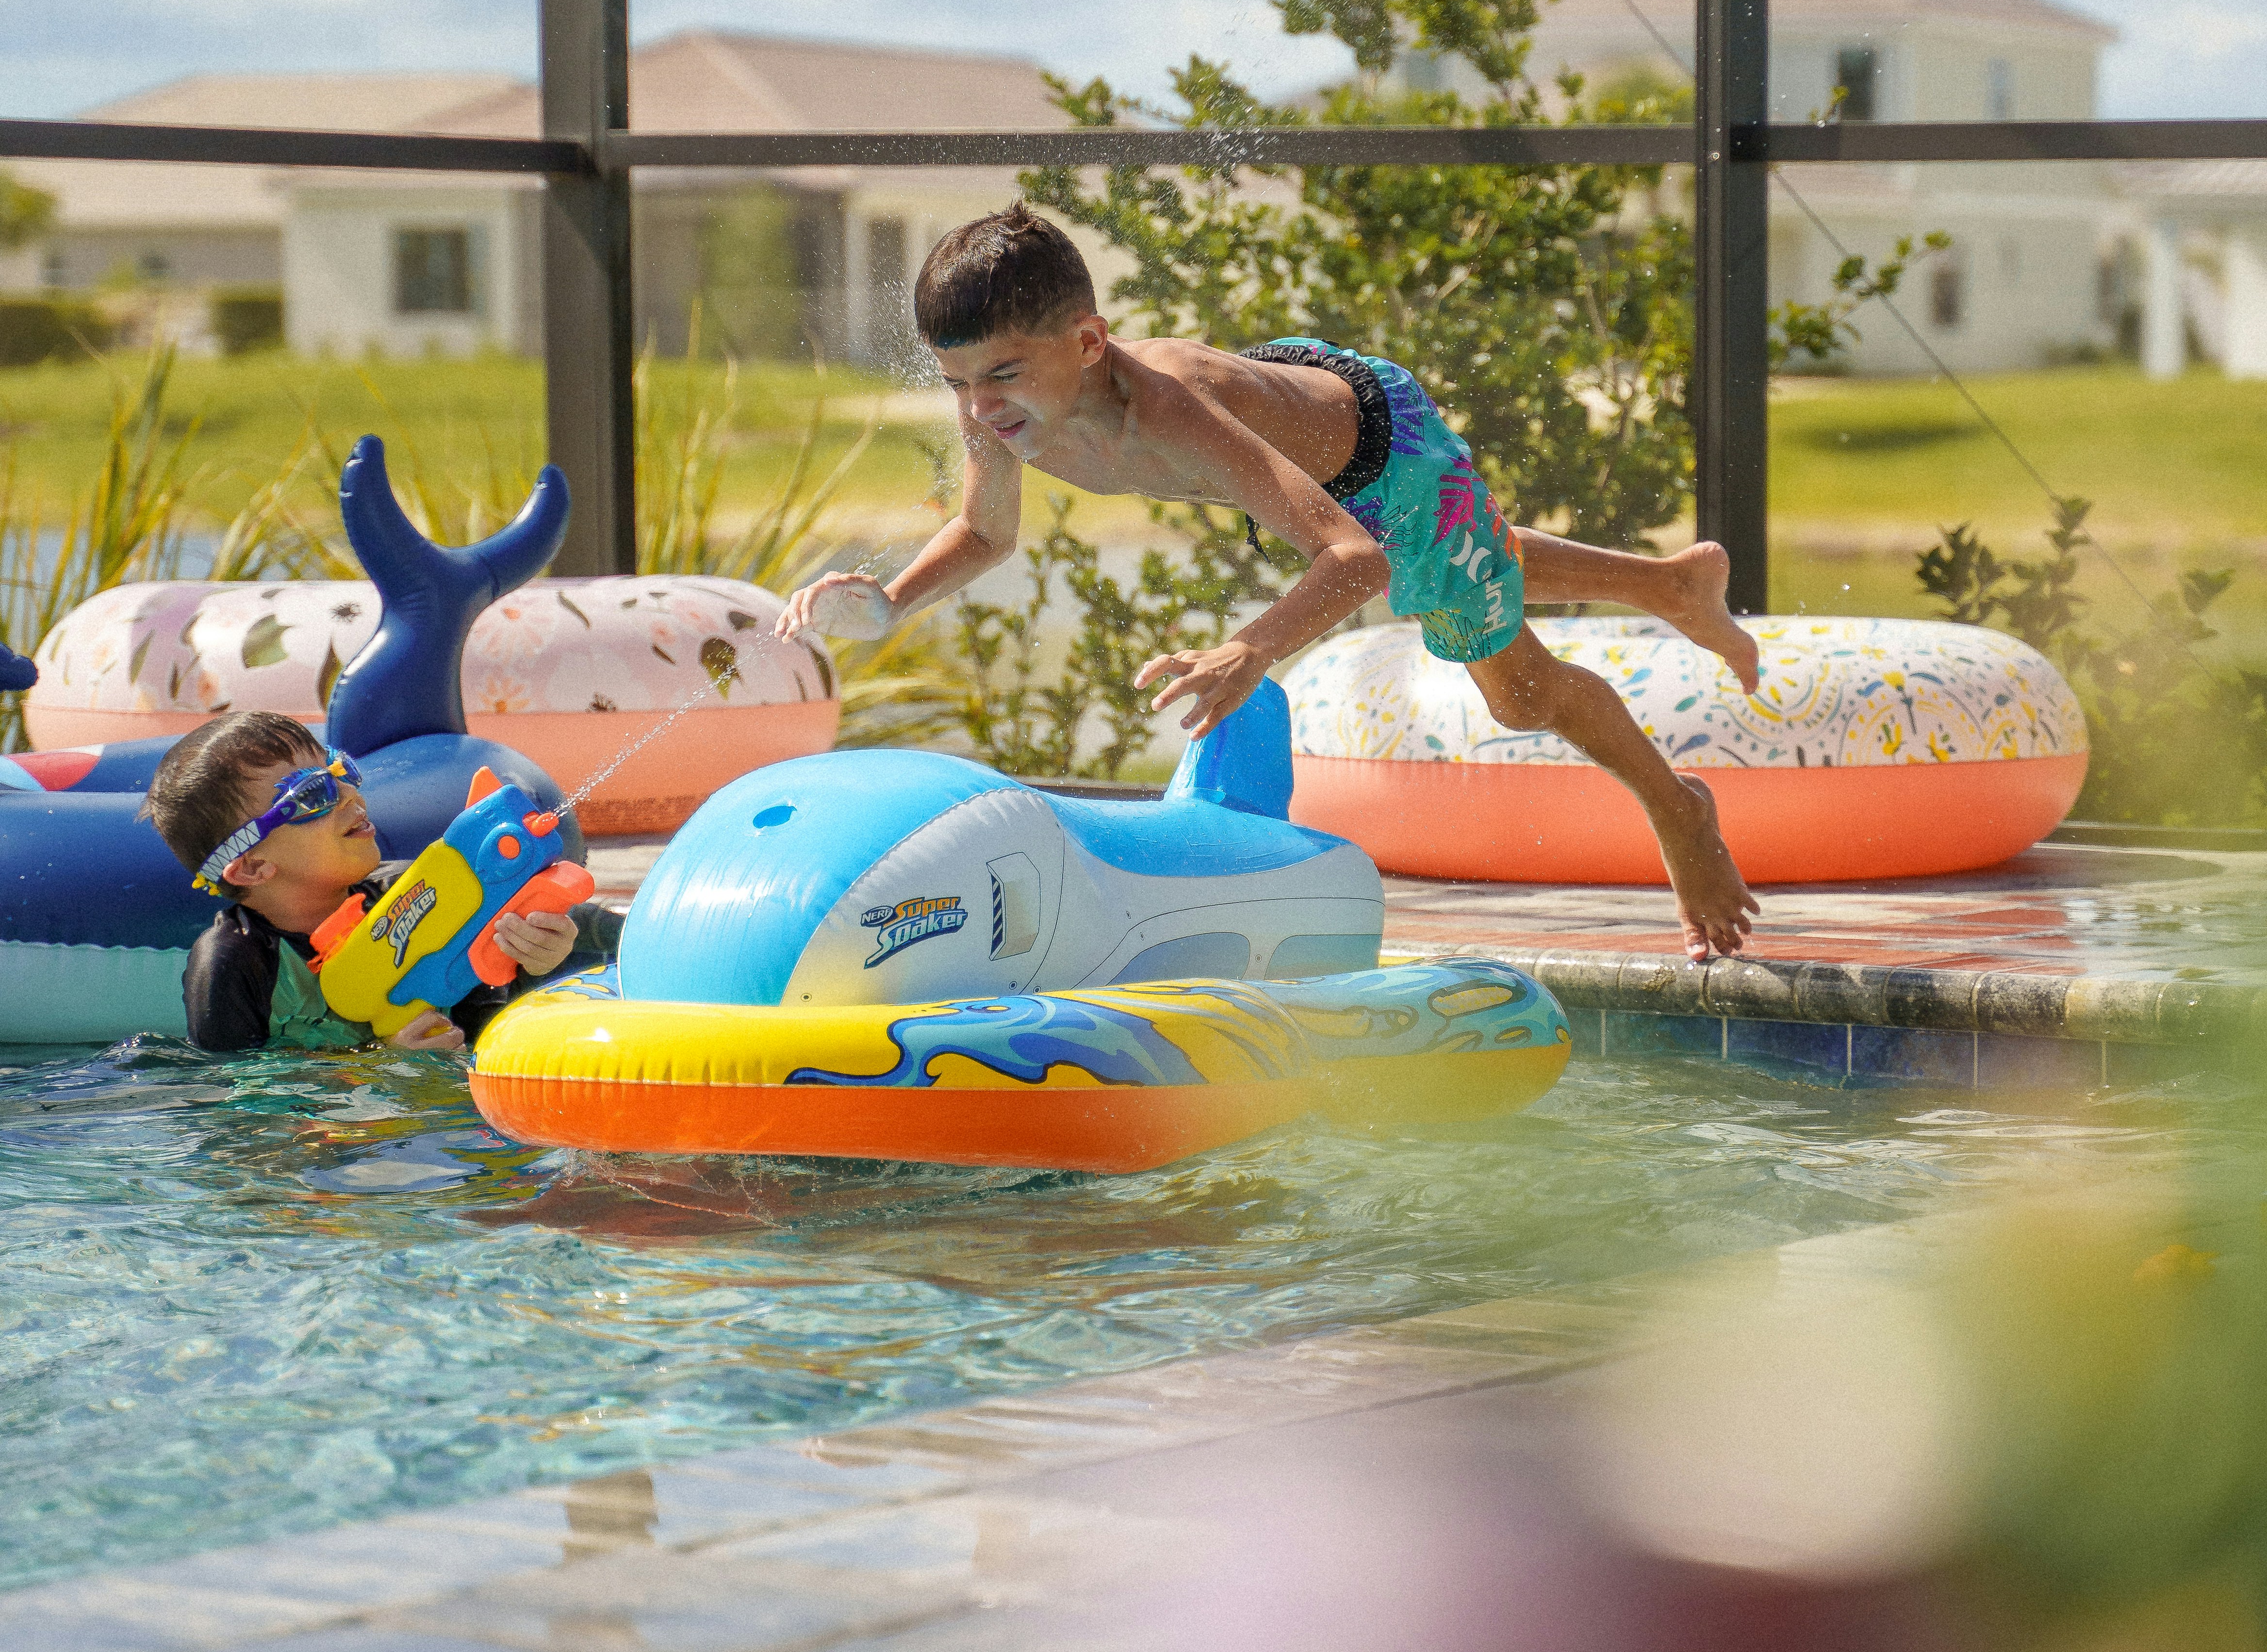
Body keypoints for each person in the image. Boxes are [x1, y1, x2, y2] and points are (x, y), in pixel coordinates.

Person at [787, 204, 1760, 961]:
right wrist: (890, 600)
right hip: (1304, 415)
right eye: (956, 382)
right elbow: (980, 532)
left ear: (1088, 343)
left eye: (999, 375)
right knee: (1455, 562)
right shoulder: (1005, 413)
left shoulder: (1166, 413)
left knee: (1518, 692)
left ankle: (1679, 810)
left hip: (1385, 449)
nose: (977, 405)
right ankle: (1672, 587)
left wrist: (1252, 647)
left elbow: (1355, 557)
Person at [146, 710, 612, 1056]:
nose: (349, 793)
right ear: (251, 867)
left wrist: (539, 959)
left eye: (338, 770)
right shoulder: (234, 963)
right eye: (312, 795)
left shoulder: (407, 894)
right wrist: (382, 1065)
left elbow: (486, 1012)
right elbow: (240, 1106)